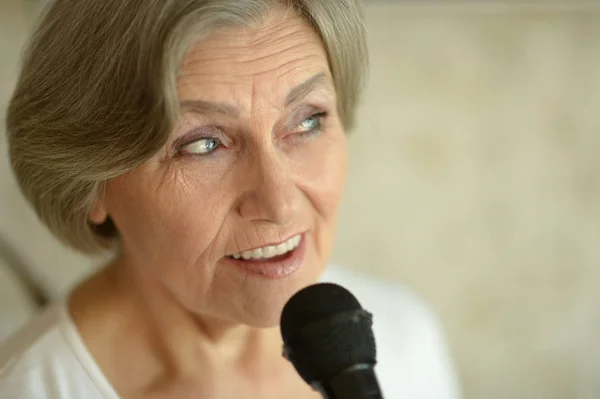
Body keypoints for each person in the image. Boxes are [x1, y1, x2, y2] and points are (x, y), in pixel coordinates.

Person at [0, 0, 462, 398]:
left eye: (307, 122)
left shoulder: (403, 336)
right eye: (203, 144)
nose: (279, 204)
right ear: (91, 181)